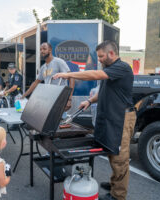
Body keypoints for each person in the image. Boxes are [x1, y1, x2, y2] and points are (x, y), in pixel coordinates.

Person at [53, 40, 136, 200]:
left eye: (101, 56)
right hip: (111, 117)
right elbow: (105, 92)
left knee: (120, 159)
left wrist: (68, 74)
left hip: (122, 118)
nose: (99, 60)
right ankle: (114, 183)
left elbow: (95, 74)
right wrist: (90, 101)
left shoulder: (122, 67)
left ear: (112, 53)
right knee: (112, 150)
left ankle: (118, 195)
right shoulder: (111, 70)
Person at [22, 42, 75, 110]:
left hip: (60, 97)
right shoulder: (43, 67)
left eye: (44, 49)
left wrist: (69, 98)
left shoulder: (58, 62)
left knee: (59, 119)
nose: (42, 51)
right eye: (40, 49)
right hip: (49, 99)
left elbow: (71, 77)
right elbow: (36, 82)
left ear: (50, 50)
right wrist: (24, 95)